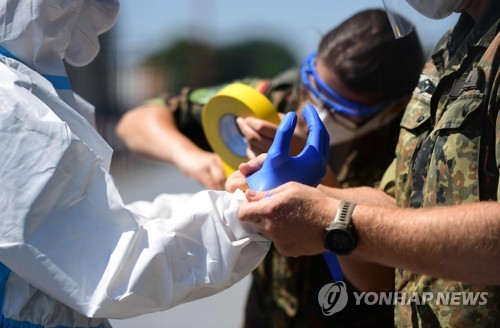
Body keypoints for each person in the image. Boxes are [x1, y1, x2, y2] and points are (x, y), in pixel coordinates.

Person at [116, 9, 425, 327]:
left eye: (338, 109)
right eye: (312, 88)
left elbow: (377, 281)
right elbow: (135, 123)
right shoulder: (269, 101)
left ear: (392, 108)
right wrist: (193, 158)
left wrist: (317, 180)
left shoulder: (407, 145)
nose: (313, 109)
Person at [0, 0, 289, 326]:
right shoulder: (8, 107)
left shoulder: (18, 90)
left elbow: (89, 222)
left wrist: (232, 203)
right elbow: (108, 266)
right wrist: (243, 215)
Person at [229, 0, 500, 326]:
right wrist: (292, 193)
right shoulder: (453, 50)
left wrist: (332, 221)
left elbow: (375, 266)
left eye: (344, 109)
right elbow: (397, 204)